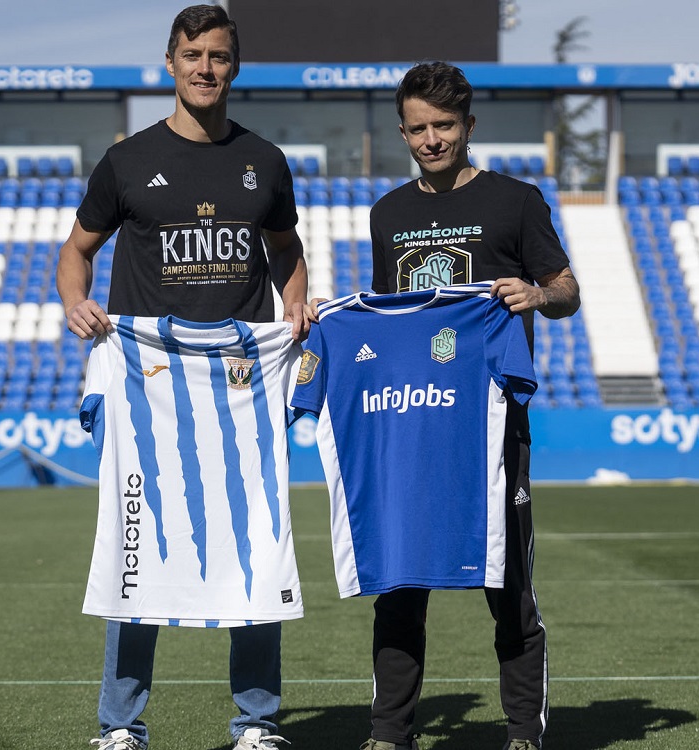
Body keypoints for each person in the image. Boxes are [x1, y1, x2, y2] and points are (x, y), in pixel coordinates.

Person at [55, 6, 309, 750]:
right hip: (148, 383)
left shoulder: (264, 159)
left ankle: (257, 724)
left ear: (236, 67)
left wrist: (294, 304)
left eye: (220, 56)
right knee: (135, 540)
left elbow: (285, 248)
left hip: (240, 385)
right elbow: (76, 252)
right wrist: (76, 302)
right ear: (169, 62)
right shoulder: (127, 160)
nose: (205, 68)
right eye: (193, 54)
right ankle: (121, 725)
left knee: (254, 545)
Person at [361, 61, 581, 750]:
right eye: (418, 128)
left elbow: (567, 289)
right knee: (398, 584)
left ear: (469, 126)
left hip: (489, 426)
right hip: (409, 425)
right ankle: (389, 733)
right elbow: (386, 322)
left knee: (506, 582)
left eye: (444, 126)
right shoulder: (387, 213)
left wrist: (536, 297)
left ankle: (521, 733)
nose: (431, 140)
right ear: (402, 131)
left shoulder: (516, 200)